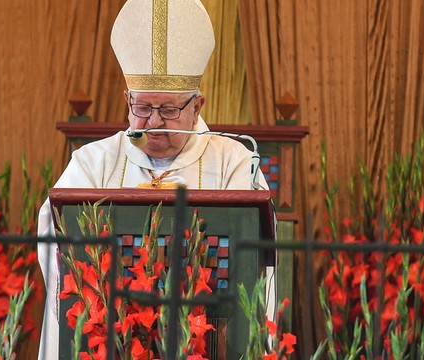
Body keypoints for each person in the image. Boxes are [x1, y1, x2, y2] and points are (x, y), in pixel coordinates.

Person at [36, 0, 268, 358]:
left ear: (197, 107)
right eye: (142, 108)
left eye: (169, 109)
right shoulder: (92, 164)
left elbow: (251, 265)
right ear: (127, 99)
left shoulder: (234, 163)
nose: (154, 122)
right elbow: (56, 240)